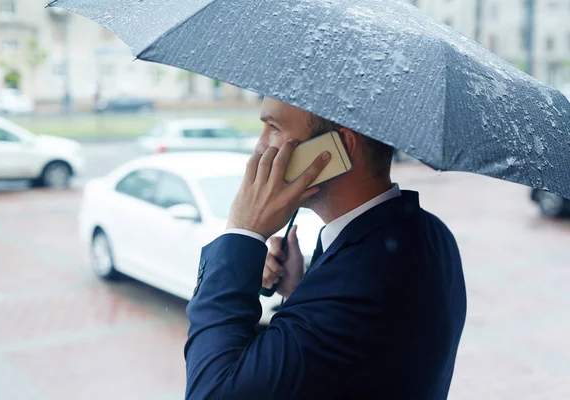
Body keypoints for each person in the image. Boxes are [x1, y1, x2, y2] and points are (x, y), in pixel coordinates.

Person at [184, 97, 467, 399]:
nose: (259, 147)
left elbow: (211, 391)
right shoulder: (432, 233)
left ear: (338, 148)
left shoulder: (361, 282)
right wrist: (301, 290)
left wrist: (243, 231)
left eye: (273, 127)